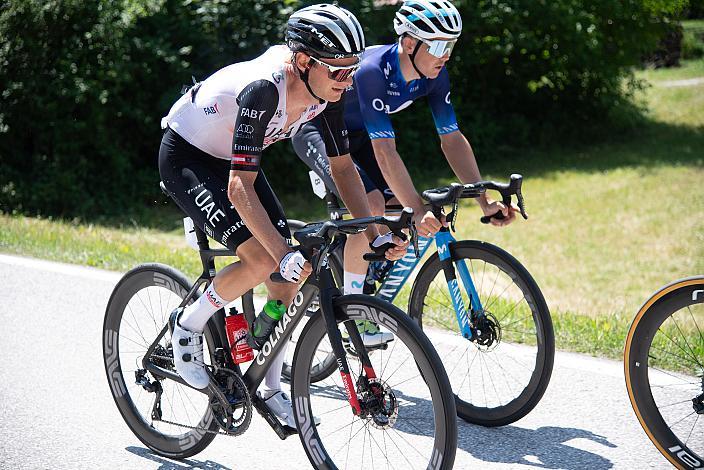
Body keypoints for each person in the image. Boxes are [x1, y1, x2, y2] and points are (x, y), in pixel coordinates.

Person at [159, 4, 407, 429]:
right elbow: (239, 187)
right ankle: (188, 323)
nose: (347, 80)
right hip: (189, 157)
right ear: (305, 61)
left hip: (235, 163)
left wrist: (374, 230)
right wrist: (281, 253)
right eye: (338, 71)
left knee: (286, 276)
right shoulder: (264, 89)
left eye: (352, 69)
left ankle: (270, 387)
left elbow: (344, 167)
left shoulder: (328, 90)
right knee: (264, 259)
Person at [292, 0, 518, 345]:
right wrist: (417, 209)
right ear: (409, 43)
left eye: (451, 46)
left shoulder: (434, 75)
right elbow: (385, 150)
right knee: (367, 206)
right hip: (316, 131)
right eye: (439, 45)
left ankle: (368, 265)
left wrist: (483, 201)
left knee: (399, 207)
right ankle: (354, 317)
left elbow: (452, 139)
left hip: (359, 136)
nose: (446, 56)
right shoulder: (371, 71)